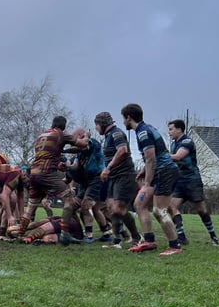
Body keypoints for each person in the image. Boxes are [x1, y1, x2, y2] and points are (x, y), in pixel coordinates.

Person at [121, 103, 182, 255]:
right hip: (160, 171)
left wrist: (147, 183)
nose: (123, 122)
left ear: (129, 117)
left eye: (123, 118)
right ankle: (149, 241)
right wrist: (143, 171)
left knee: (159, 211)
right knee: (139, 204)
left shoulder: (143, 133)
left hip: (165, 172)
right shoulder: (145, 129)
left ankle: (175, 246)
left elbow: (151, 159)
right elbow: (154, 157)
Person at [18, 116, 89, 245]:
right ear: (64, 126)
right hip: (46, 174)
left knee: (30, 207)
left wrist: (57, 163)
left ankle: (20, 233)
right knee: (69, 199)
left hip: (34, 173)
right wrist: (86, 136)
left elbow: (46, 155)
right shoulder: (60, 134)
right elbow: (83, 144)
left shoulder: (41, 136)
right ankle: (65, 233)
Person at [167, 119, 219, 245]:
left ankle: (213, 236)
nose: (169, 132)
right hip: (179, 181)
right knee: (172, 206)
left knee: (201, 210)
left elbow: (179, 156)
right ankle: (181, 237)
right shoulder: (173, 144)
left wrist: (159, 155)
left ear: (179, 129)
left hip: (192, 180)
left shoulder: (187, 142)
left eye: (171, 129)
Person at [97, 111, 141, 249]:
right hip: (113, 177)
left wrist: (108, 168)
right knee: (111, 208)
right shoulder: (108, 136)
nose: (96, 128)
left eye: (97, 125)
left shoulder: (117, 134)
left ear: (103, 124)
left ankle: (137, 238)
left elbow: (122, 150)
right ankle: (116, 242)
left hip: (124, 175)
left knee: (119, 209)